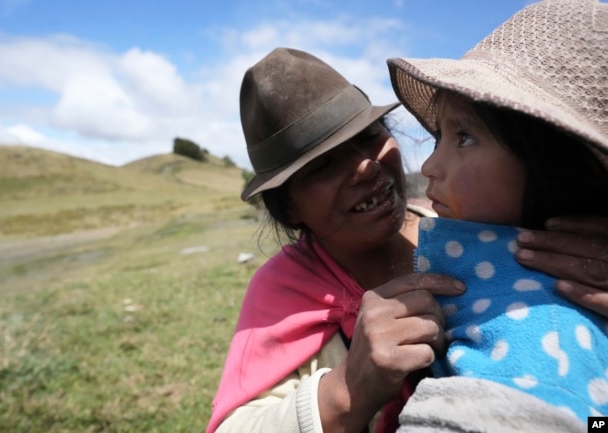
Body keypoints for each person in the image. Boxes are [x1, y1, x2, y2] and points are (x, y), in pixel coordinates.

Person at [207, 47, 608, 433]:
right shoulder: (283, 291)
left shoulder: (473, 227)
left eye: (368, 136)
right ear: (289, 208)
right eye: (323, 165)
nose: (365, 166)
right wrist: (347, 390)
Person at [386, 0, 608, 431]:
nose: (430, 166)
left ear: (552, 166)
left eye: (465, 137)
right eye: (440, 137)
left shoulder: (539, 335)